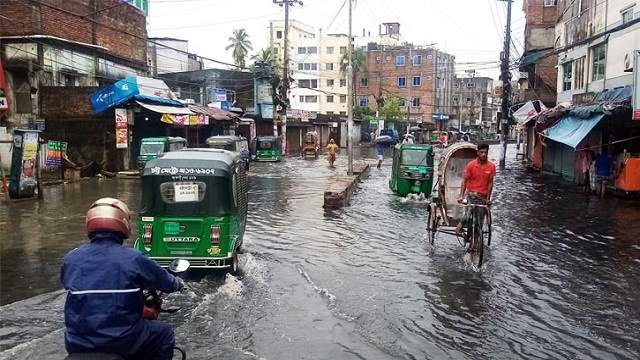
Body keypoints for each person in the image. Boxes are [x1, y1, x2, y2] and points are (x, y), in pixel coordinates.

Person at [61, 198, 184, 360]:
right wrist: (178, 283)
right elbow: (166, 281)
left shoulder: (71, 259)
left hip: (77, 343)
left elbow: (66, 282)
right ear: (123, 223)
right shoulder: (134, 258)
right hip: (122, 341)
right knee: (165, 332)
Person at [456, 143, 496, 239]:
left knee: (480, 222)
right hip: (471, 195)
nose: (483, 154)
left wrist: (488, 199)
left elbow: (490, 183)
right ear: (478, 153)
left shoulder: (491, 166)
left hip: (482, 196)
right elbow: (464, 181)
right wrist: (461, 196)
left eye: (485, 152)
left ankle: (475, 242)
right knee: (467, 214)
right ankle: (460, 225)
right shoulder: (471, 165)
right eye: (481, 152)